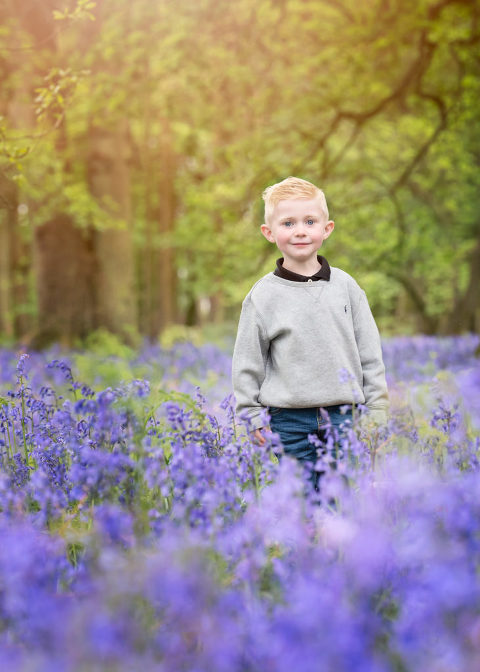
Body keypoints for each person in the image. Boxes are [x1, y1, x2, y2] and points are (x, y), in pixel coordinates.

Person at [232, 176, 388, 483]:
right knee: (302, 503)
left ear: (326, 228)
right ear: (269, 232)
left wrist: (378, 408)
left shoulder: (346, 287)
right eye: (288, 223)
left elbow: (369, 352)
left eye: (310, 221)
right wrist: (251, 416)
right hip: (289, 420)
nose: (300, 230)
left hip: (346, 415)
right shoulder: (262, 296)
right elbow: (247, 363)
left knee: (342, 500)